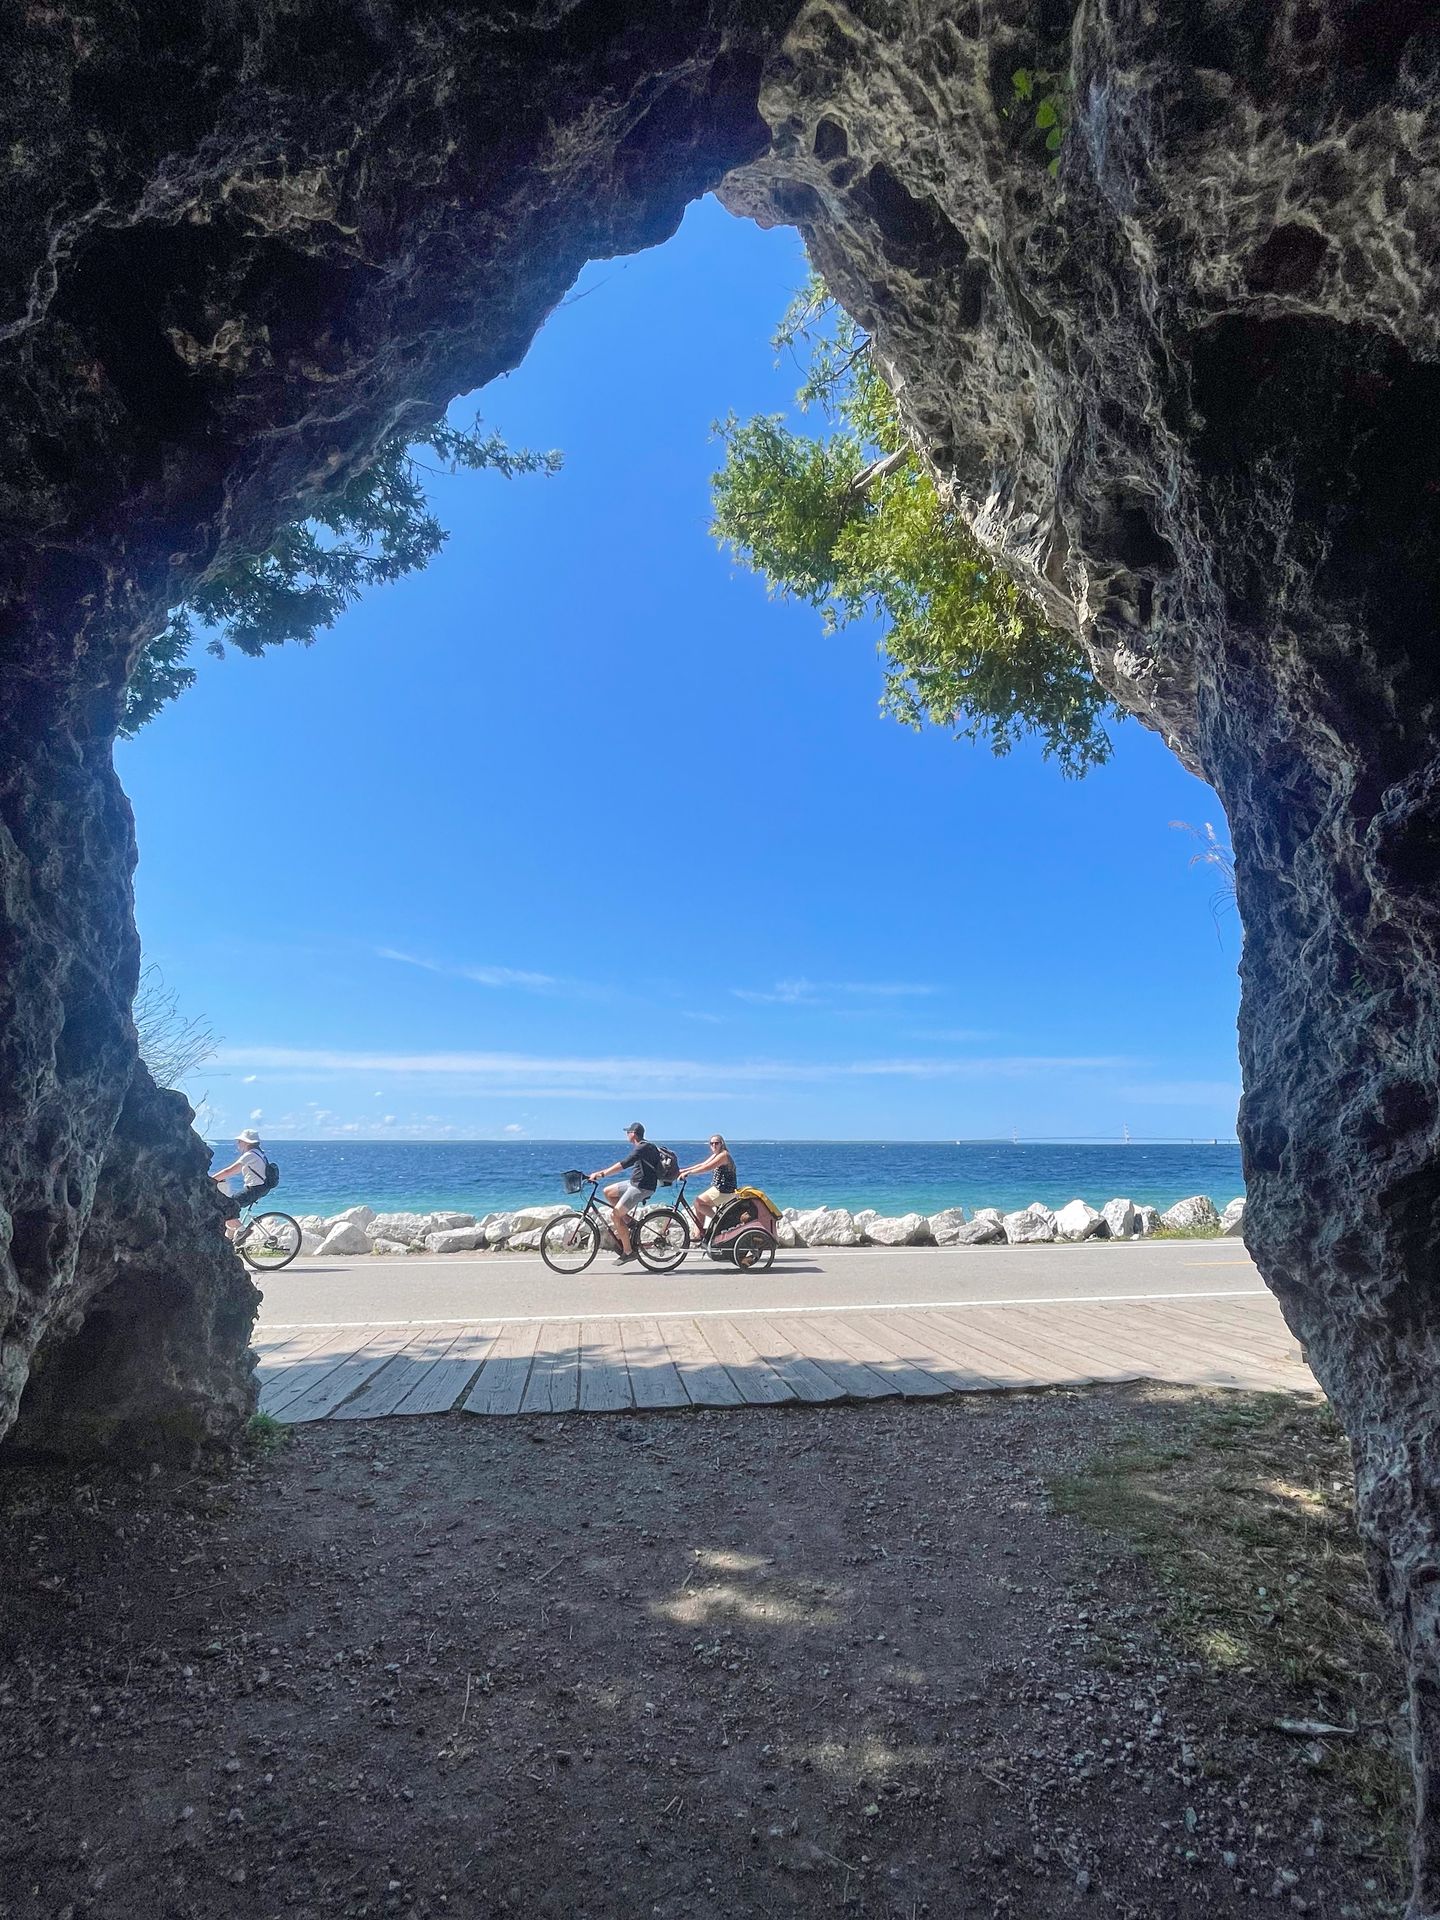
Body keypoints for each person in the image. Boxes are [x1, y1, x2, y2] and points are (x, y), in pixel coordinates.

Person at [589, 1122, 661, 1265]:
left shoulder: (642, 1147)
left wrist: (602, 1174)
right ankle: (629, 1221)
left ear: (633, 1134)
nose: (626, 1134)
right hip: (634, 1183)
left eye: (628, 1132)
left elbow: (623, 1164)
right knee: (608, 1192)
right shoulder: (644, 1146)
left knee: (615, 1215)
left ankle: (628, 1252)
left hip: (642, 1187)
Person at [211, 1128, 271, 1242]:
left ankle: (243, 1230)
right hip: (260, 1188)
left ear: (247, 1142)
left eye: (240, 1141)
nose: (238, 1143)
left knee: (226, 1208)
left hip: (254, 1189)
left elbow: (229, 1171)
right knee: (230, 1210)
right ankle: (229, 1242)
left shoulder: (250, 1155)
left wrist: (210, 1180)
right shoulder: (259, 1153)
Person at [681, 1134, 737, 1242]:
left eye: (717, 1143)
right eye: (712, 1143)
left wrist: (689, 1173)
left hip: (724, 1190)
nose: (714, 1145)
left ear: (722, 1144)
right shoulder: (717, 1154)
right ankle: (700, 1234)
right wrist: (683, 1170)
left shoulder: (723, 1155)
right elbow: (702, 1164)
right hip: (720, 1188)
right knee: (699, 1203)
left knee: (698, 1202)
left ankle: (721, 1221)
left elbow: (706, 1168)